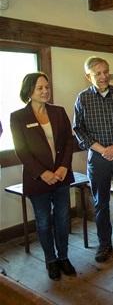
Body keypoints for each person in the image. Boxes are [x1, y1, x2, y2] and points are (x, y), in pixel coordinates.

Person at [10, 72, 76, 281]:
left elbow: (68, 142)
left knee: (63, 219)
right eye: (40, 88)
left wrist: (64, 166)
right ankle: (51, 260)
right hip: (38, 178)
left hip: (61, 175)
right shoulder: (18, 116)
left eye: (46, 87)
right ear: (29, 91)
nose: (45, 91)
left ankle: (63, 257)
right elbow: (22, 151)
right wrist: (43, 173)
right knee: (43, 221)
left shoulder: (58, 112)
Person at [73, 56, 113, 263]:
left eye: (106, 71)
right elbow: (79, 131)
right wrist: (104, 150)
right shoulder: (82, 99)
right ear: (88, 76)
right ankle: (104, 243)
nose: (104, 77)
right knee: (100, 202)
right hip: (98, 158)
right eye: (98, 74)